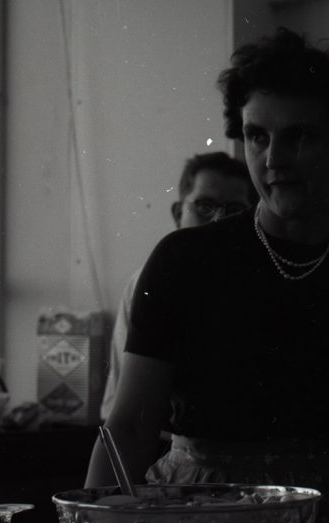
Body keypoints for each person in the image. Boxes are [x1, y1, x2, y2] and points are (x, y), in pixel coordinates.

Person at [85, 28, 329, 523]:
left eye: (301, 136)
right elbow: (128, 427)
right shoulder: (182, 261)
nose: (274, 159)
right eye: (257, 137)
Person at [100, 152, 256, 420]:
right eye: (204, 206)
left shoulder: (259, 285)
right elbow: (124, 412)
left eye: (234, 211)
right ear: (177, 213)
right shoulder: (146, 283)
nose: (218, 221)